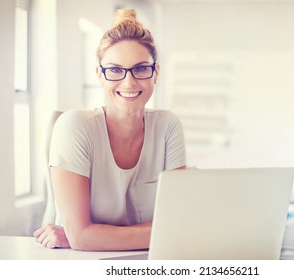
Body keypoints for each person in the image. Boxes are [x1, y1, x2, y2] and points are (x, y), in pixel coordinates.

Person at [33, 9, 186, 251]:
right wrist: (82, 237)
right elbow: (82, 239)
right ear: (99, 75)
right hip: (76, 263)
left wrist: (89, 236)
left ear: (155, 73)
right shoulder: (74, 127)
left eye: (140, 68)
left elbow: (180, 224)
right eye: (115, 70)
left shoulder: (168, 127)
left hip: (146, 262)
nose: (129, 82)